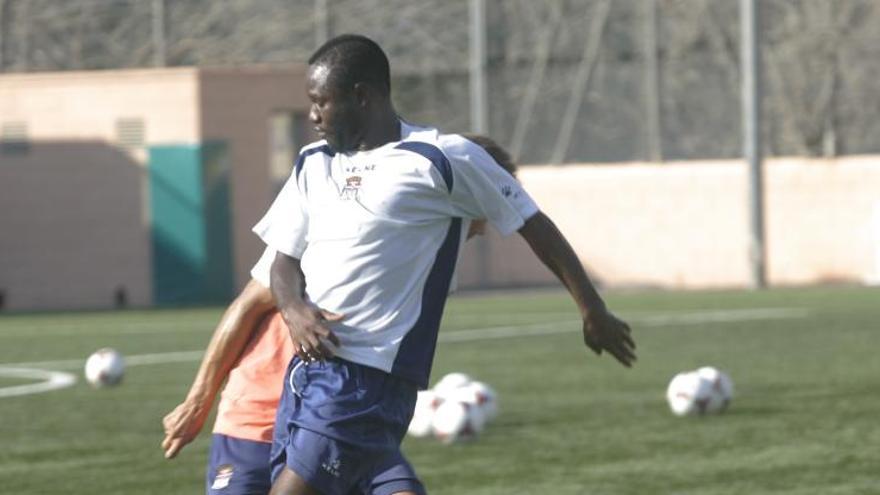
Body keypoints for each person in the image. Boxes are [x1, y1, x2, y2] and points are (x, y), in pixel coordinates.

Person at [256, 34, 635, 495]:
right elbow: (284, 261)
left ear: (362, 96)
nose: (312, 115)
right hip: (306, 375)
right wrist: (293, 309)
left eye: (322, 102)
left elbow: (533, 223)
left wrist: (590, 308)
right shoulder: (313, 163)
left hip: (366, 379)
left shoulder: (440, 157)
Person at [162, 134, 520, 494]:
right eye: (489, 205)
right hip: (259, 417)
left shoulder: (429, 252)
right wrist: (198, 401)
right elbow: (248, 305)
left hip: (345, 413)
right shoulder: (354, 228)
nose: (487, 226)